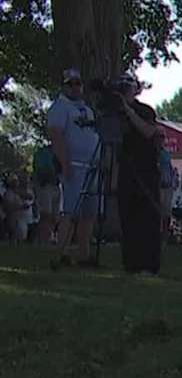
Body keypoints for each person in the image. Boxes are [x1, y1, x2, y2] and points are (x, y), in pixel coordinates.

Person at [109, 74, 164, 275]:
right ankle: (131, 264)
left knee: (148, 219)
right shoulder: (114, 113)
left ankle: (149, 264)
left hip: (146, 170)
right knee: (128, 218)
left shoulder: (144, 110)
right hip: (125, 170)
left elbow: (148, 131)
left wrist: (128, 110)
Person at [47, 68, 100, 264]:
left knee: (89, 214)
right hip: (73, 166)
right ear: (64, 86)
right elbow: (56, 136)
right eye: (70, 84)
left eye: (78, 83)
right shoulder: (60, 107)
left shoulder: (87, 110)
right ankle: (61, 252)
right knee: (70, 212)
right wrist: (65, 163)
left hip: (91, 168)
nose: (75, 87)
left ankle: (84, 254)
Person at [31, 142, 59, 245]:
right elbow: (41, 171)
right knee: (45, 215)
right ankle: (41, 240)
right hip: (44, 185)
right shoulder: (44, 153)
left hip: (55, 186)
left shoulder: (60, 153)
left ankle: (48, 237)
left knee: (54, 216)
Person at [157, 140, 176, 243]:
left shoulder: (165, 153)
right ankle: (160, 232)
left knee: (166, 211)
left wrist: (173, 181)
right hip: (159, 186)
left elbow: (170, 168)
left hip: (167, 186)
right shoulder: (154, 153)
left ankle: (165, 233)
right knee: (159, 210)